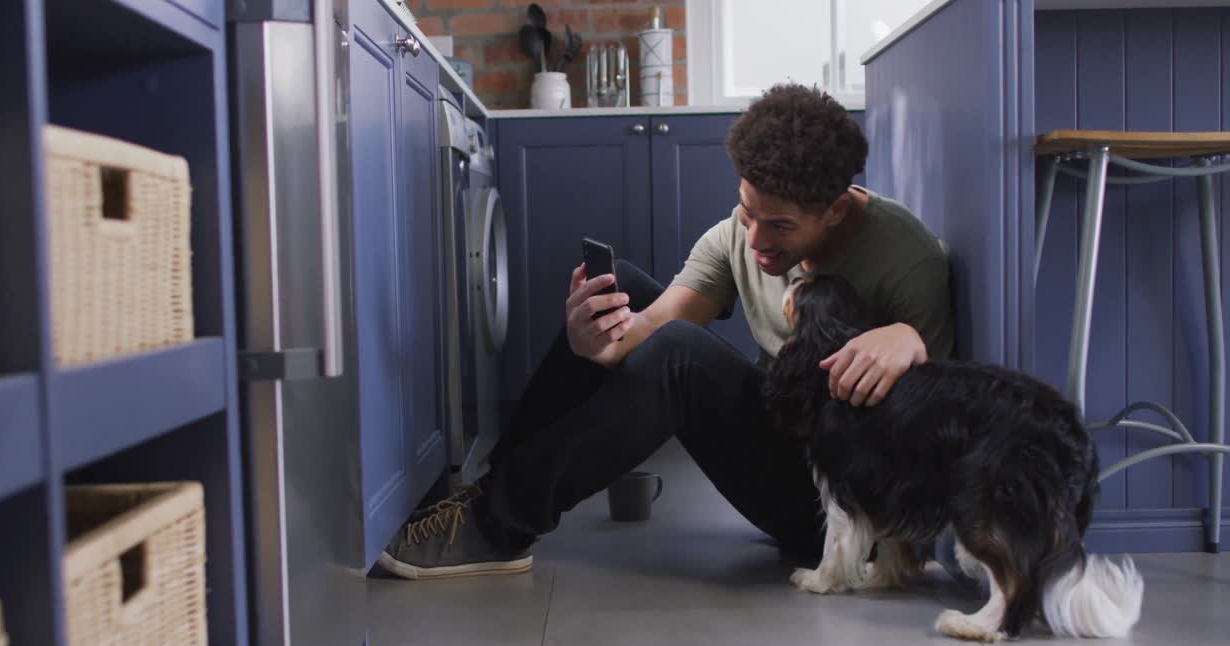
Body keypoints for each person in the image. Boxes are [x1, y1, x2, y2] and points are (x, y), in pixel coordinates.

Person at [377, 83, 956, 581]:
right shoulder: (739, 236)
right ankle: (488, 499)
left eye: (780, 225)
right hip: (780, 435)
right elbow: (649, 328)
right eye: (747, 210)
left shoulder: (905, 259)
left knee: (681, 356)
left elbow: (935, 446)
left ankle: (494, 526)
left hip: (841, 509)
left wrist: (912, 347)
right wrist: (592, 340)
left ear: (834, 209)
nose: (755, 241)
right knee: (622, 290)